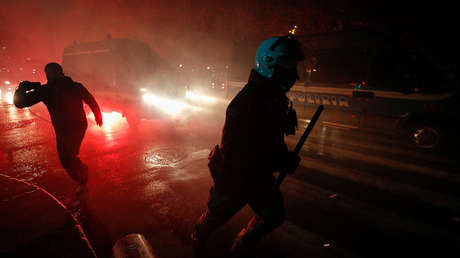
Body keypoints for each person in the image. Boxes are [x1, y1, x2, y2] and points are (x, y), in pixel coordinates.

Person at [191, 35, 304, 257]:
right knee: (217, 215)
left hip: (257, 177)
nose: (295, 75)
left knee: (273, 215)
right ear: (271, 66)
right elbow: (239, 153)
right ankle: (198, 237)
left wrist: (283, 156)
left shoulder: (275, 98)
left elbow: (272, 139)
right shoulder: (247, 102)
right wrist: (281, 161)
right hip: (235, 178)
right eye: (289, 67)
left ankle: (241, 249)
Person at [14, 62, 103, 193]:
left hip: (74, 126)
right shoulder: (50, 89)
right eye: (48, 73)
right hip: (69, 127)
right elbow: (21, 103)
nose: (50, 75)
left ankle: (82, 177)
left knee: (68, 156)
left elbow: (90, 99)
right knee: (67, 157)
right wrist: (22, 89)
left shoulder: (53, 89)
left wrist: (21, 88)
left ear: (59, 72)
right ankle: (81, 174)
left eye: (51, 72)